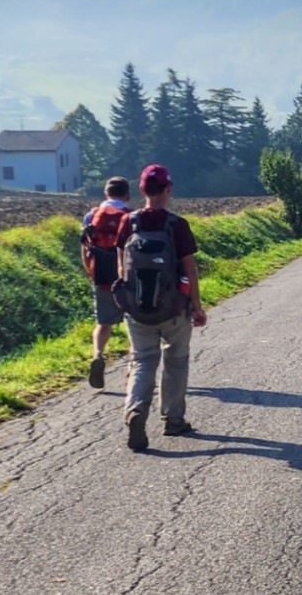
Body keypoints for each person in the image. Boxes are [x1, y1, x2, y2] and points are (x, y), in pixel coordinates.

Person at [118, 163, 207, 451]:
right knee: (176, 360)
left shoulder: (127, 223)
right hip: (173, 308)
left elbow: (122, 266)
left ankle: (135, 410)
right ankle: (173, 419)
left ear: (142, 190)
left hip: (137, 308)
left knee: (143, 360)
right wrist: (197, 306)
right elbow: (190, 270)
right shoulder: (176, 226)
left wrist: (129, 300)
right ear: (168, 190)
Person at [80, 176, 133, 388]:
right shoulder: (130, 217)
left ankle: (98, 355)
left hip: (101, 274)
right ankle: (132, 370)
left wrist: (90, 271)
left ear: (105, 194)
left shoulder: (91, 216)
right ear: (127, 195)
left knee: (103, 323)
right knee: (134, 324)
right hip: (127, 278)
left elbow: (85, 248)